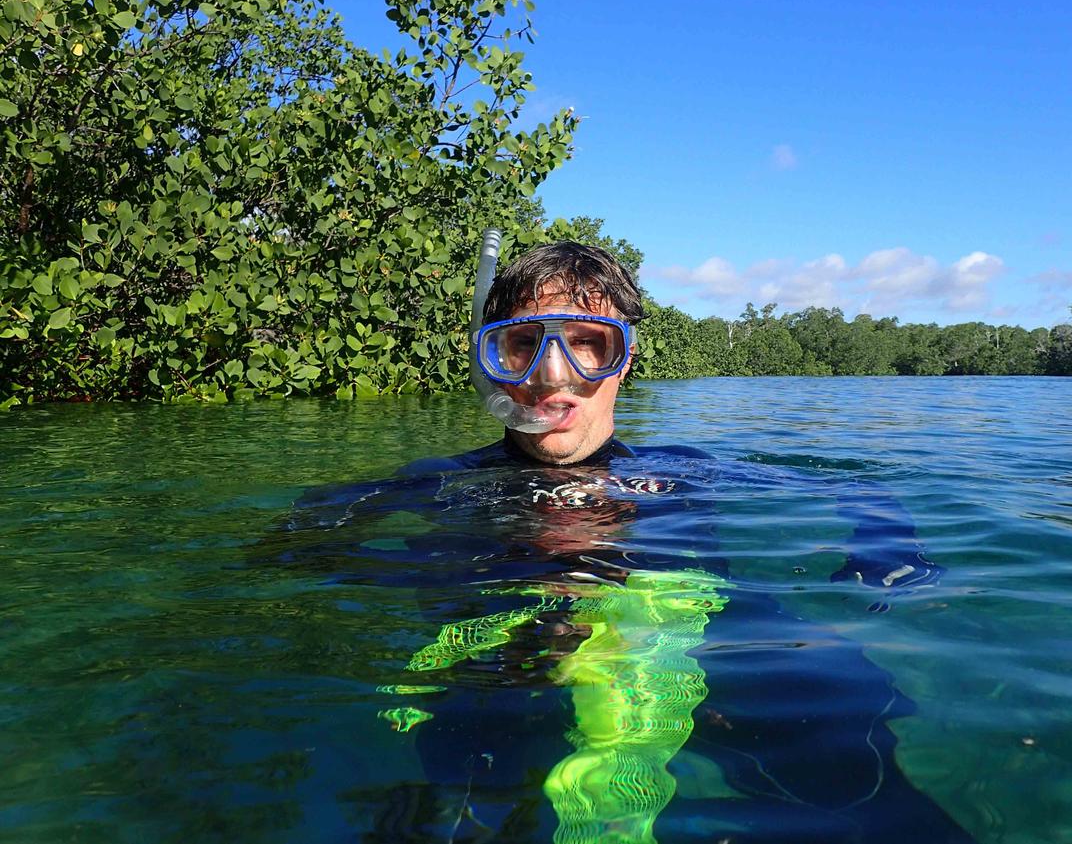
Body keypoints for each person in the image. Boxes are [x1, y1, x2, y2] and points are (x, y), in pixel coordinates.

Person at [284, 233, 974, 843]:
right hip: (497, 648)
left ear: (624, 362)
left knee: (842, 747)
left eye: (588, 344)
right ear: (491, 362)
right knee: (461, 793)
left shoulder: (679, 470)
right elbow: (295, 541)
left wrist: (888, 550)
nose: (554, 376)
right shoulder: (438, 481)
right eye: (523, 344)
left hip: (688, 629)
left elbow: (859, 488)